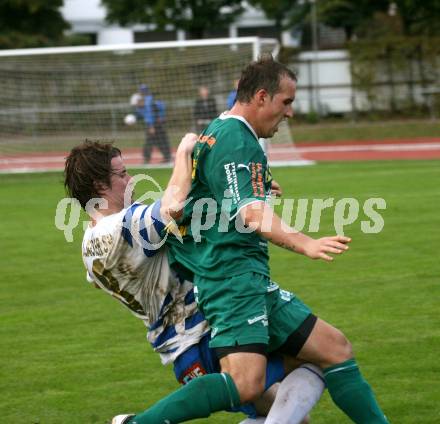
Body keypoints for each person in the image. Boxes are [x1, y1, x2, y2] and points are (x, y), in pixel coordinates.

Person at [123, 55, 389, 423]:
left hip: (248, 279)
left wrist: (258, 184)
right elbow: (250, 213)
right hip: (232, 282)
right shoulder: (235, 138)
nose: (290, 113)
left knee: (335, 349)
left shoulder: (222, 130)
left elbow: (198, 200)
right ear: (261, 96)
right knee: (246, 383)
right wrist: (304, 242)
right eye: (287, 102)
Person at [63, 136, 325, 424]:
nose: (131, 179)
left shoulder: (89, 244)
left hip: (183, 354)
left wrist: (244, 198)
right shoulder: (123, 226)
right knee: (317, 355)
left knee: (294, 416)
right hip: (205, 334)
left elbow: (185, 217)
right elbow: (171, 207)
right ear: (101, 185)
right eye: (122, 174)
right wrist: (184, 153)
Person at [136, 84, 172, 164]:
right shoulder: (150, 99)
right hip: (158, 123)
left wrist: (151, 126)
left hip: (153, 124)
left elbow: (150, 114)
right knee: (161, 140)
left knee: (151, 141)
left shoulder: (148, 100)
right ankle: (167, 157)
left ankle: (147, 158)